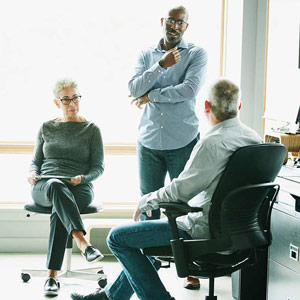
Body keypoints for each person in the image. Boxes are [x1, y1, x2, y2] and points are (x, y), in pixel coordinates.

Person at [70, 78, 263, 300]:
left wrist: (146, 201)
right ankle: (110, 297)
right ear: (239, 106)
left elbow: (181, 190)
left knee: (117, 238)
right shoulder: (254, 138)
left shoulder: (213, 143)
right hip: (239, 233)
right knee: (143, 240)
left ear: (206, 106)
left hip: (201, 230)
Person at [129, 5, 207, 289]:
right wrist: (159, 67)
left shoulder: (196, 53)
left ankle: (191, 268)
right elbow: (134, 87)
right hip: (148, 139)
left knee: (185, 204)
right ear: (163, 21)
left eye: (181, 23)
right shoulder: (146, 54)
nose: (175, 27)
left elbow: (189, 90)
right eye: (171, 21)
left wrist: (152, 96)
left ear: (186, 26)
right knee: (147, 202)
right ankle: (146, 267)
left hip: (182, 139)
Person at [27, 78, 105, 296]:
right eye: (66, 100)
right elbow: (36, 161)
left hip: (78, 187)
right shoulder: (46, 127)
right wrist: (32, 173)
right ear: (56, 102)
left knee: (60, 206)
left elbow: (98, 168)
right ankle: (82, 242)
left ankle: (52, 276)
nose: (72, 104)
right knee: (55, 186)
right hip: (46, 186)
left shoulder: (91, 130)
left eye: (76, 98)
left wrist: (83, 178)